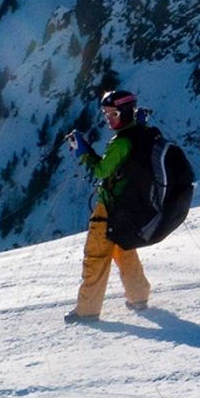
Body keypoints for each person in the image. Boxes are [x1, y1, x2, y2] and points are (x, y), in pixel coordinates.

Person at [64, 90, 152, 323]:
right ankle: (139, 296)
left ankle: (87, 310)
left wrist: (83, 151)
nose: (108, 118)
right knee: (124, 249)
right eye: (105, 114)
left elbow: (102, 170)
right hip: (130, 206)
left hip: (110, 206)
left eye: (112, 113)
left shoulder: (121, 141)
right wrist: (139, 123)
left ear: (124, 112)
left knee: (96, 255)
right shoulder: (141, 133)